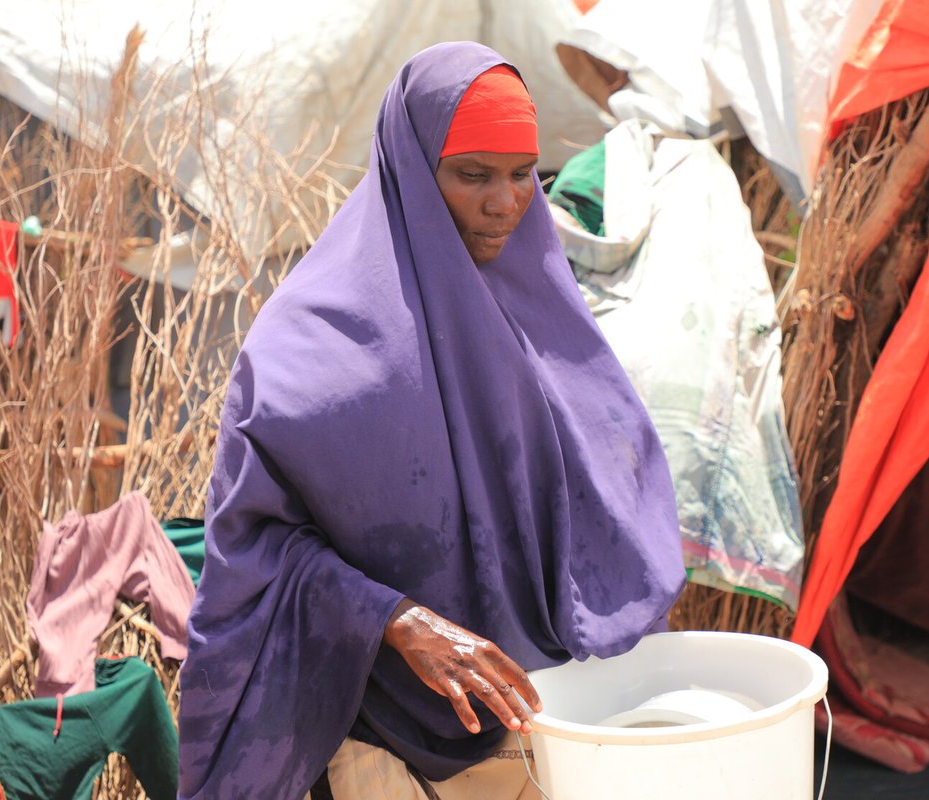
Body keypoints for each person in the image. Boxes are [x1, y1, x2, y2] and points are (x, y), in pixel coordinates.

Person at [177, 42, 686, 800]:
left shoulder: (542, 316)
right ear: (412, 169)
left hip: (541, 719)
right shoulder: (309, 347)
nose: (505, 201)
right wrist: (396, 619)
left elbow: (606, 495)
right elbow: (253, 553)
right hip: (378, 734)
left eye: (523, 174)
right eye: (472, 174)